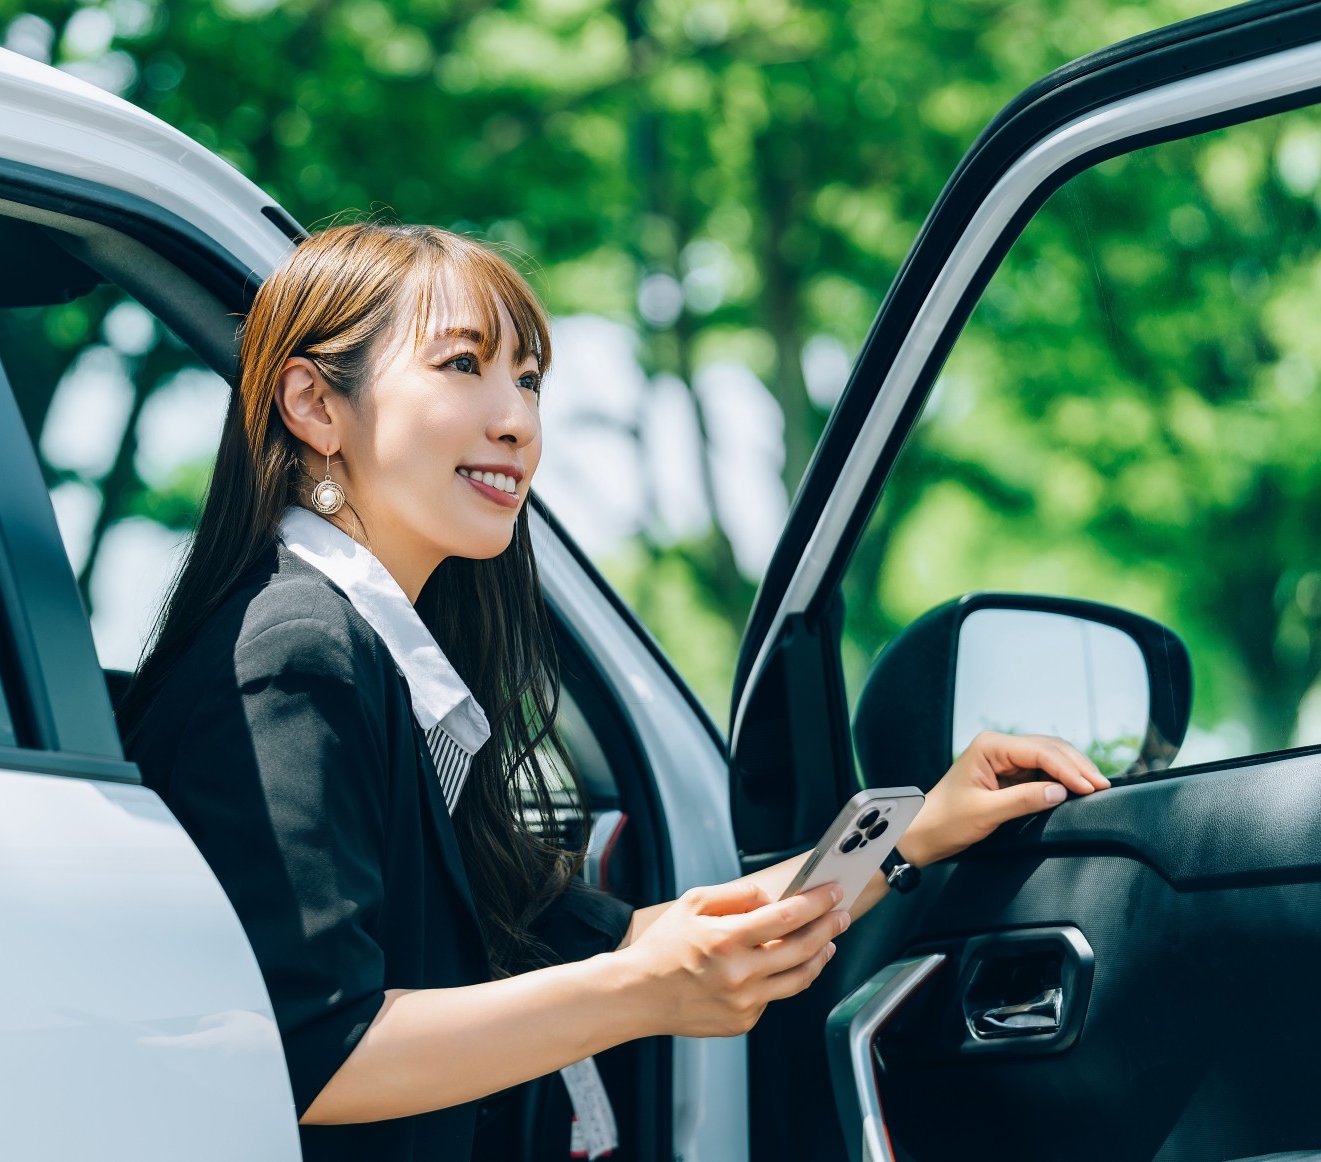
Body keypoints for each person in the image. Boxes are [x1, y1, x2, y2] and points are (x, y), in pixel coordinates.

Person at [119, 222, 1108, 1161]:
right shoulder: (296, 652)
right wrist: (640, 993)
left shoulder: (381, 666)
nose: (517, 422)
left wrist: (915, 831)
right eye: (463, 365)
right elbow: (312, 1053)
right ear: (314, 405)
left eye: (529, 379)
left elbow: (635, 936)